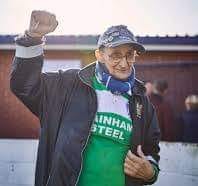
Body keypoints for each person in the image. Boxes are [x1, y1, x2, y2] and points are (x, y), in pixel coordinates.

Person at [10, 10, 160, 186]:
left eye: (130, 55)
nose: (124, 63)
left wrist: (150, 172)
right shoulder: (67, 85)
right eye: (116, 55)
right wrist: (32, 38)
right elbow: (24, 86)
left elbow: (151, 152)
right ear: (100, 55)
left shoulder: (141, 101)